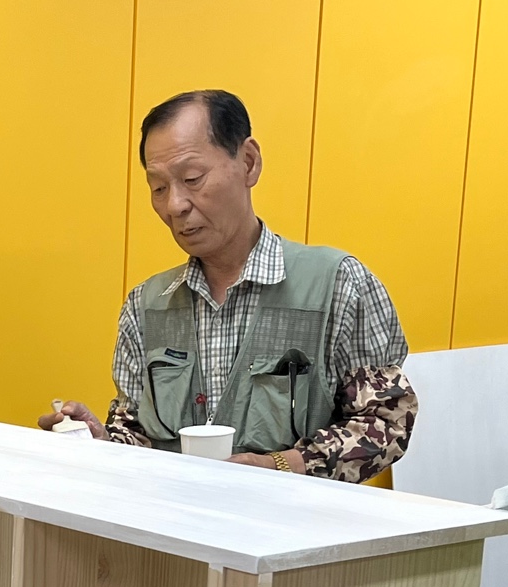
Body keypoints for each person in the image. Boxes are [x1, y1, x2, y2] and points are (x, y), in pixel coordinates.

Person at [40, 89, 416, 482]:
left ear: (248, 163)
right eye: (159, 187)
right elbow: (136, 434)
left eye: (192, 179)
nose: (175, 205)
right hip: (173, 517)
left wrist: (281, 465)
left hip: (292, 517)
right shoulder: (146, 306)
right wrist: (99, 441)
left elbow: (386, 422)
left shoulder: (337, 285)